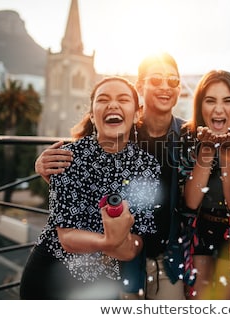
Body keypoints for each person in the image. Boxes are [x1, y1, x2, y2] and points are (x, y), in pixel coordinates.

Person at [33, 52, 187, 300]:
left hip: (162, 253)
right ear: (141, 87)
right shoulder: (121, 127)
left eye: (173, 80)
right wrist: (44, 165)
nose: (165, 87)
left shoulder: (188, 136)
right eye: (156, 79)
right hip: (117, 259)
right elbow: (84, 159)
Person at [20, 76, 161, 299]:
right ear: (93, 116)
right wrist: (111, 241)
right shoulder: (66, 157)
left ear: (136, 114)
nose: (113, 105)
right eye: (103, 99)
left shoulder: (148, 166)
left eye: (123, 99)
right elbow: (67, 238)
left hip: (102, 285)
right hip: (49, 275)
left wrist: (118, 244)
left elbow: (134, 246)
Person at [178, 70, 230, 299]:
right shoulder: (188, 136)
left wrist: (227, 155)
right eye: (210, 100)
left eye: (228, 101)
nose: (219, 109)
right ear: (200, 105)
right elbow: (191, 202)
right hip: (199, 229)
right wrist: (206, 150)